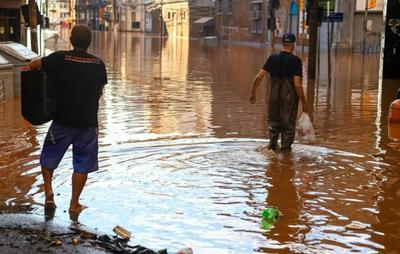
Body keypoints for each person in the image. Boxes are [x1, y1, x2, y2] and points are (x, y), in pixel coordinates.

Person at [29, 25, 108, 213]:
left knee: (48, 157)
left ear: (71, 40)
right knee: (82, 164)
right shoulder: (98, 64)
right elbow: (99, 92)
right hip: (87, 123)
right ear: (90, 42)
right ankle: (74, 204)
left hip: (62, 120)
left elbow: (34, 65)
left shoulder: (59, 58)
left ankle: (49, 192)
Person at [249, 33, 308, 152]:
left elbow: (258, 77)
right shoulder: (296, 61)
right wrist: (304, 102)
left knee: (273, 126)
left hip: (274, 99)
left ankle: (272, 153)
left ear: (282, 44)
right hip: (289, 101)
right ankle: (286, 160)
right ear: (293, 45)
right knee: (287, 128)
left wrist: (252, 93)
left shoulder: (272, 58)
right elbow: (297, 84)